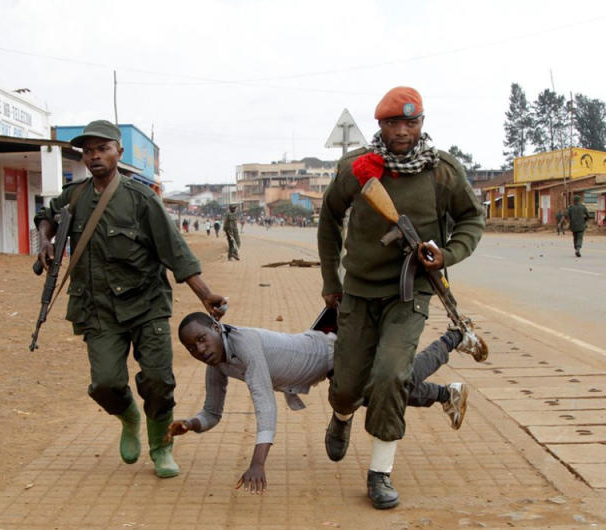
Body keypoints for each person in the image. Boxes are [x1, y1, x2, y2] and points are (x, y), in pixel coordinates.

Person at [317, 86, 486, 509]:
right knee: (347, 386)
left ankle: (380, 471)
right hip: (358, 290)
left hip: (410, 293)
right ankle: (341, 417)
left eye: (411, 122)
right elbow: (329, 218)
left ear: (422, 124)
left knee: (392, 375)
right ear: (381, 126)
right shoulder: (357, 168)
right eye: (394, 123)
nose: (403, 131)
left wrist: (446, 254)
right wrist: (330, 279)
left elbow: (471, 220)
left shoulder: (442, 171)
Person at [34, 120, 228, 479]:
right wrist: (45, 240)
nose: (94, 156)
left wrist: (205, 296)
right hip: (97, 307)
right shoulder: (74, 196)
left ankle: (160, 446)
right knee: (106, 383)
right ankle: (128, 416)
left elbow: (176, 252)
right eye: (88, 150)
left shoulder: (142, 199)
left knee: (158, 380)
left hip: (146, 305)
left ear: (118, 153)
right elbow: (46, 216)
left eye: (102, 148)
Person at [169, 311, 480, 494]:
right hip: (329, 370)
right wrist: (191, 424)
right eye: (190, 347)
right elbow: (212, 412)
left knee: (400, 381)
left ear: (215, 328)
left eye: (201, 339)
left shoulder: (244, 343)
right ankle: (446, 394)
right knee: (380, 397)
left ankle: (454, 337)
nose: (199, 349)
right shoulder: (217, 364)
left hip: (337, 353)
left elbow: (264, 402)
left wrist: (258, 463)